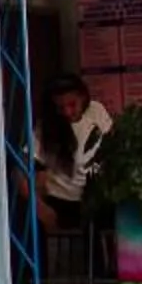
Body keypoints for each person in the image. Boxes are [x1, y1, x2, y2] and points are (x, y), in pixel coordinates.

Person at [34, 76, 115, 262]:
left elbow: (112, 143)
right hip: (61, 200)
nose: (67, 112)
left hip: (94, 194)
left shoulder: (96, 110)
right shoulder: (45, 126)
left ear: (83, 97)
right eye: (60, 107)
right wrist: (42, 206)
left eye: (72, 104)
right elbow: (36, 170)